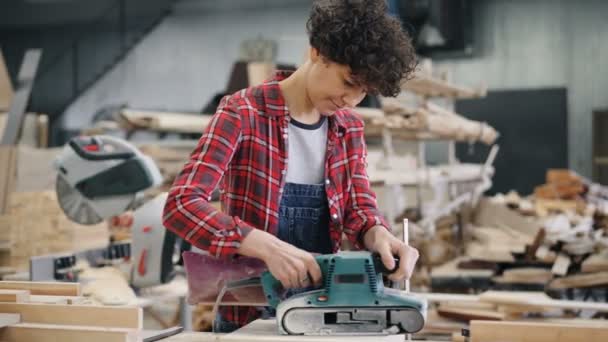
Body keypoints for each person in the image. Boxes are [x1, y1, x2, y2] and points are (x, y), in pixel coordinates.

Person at [163, 0, 419, 332]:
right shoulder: (242, 113)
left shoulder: (349, 128)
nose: (352, 100)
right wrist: (263, 246)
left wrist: (379, 235)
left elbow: (358, 209)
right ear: (316, 52)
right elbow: (181, 205)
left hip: (321, 315)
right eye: (348, 82)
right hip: (250, 317)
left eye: (364, 92)